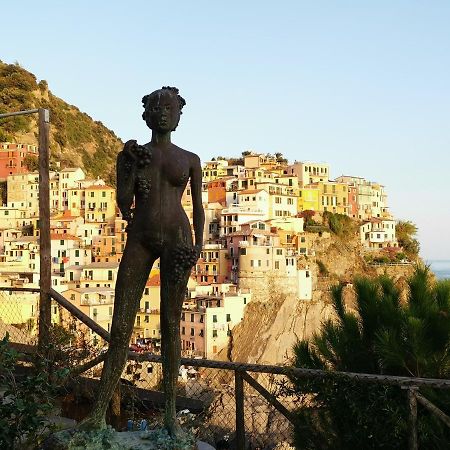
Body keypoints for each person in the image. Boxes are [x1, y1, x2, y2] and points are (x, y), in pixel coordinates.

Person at [79, 86, 204, 437]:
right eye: (157, 107)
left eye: (170, 107)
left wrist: (199, 247)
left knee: (170, 324)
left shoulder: (190, 159)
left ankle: (170, 419)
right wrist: (128, 165)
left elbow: (198, 208)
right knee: (120, 327)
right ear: (147, 114)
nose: (163, 112)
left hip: (179, 239)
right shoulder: (135, 155)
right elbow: (123, 201)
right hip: (141, 238)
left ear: (178, 116)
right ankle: (96, 416)